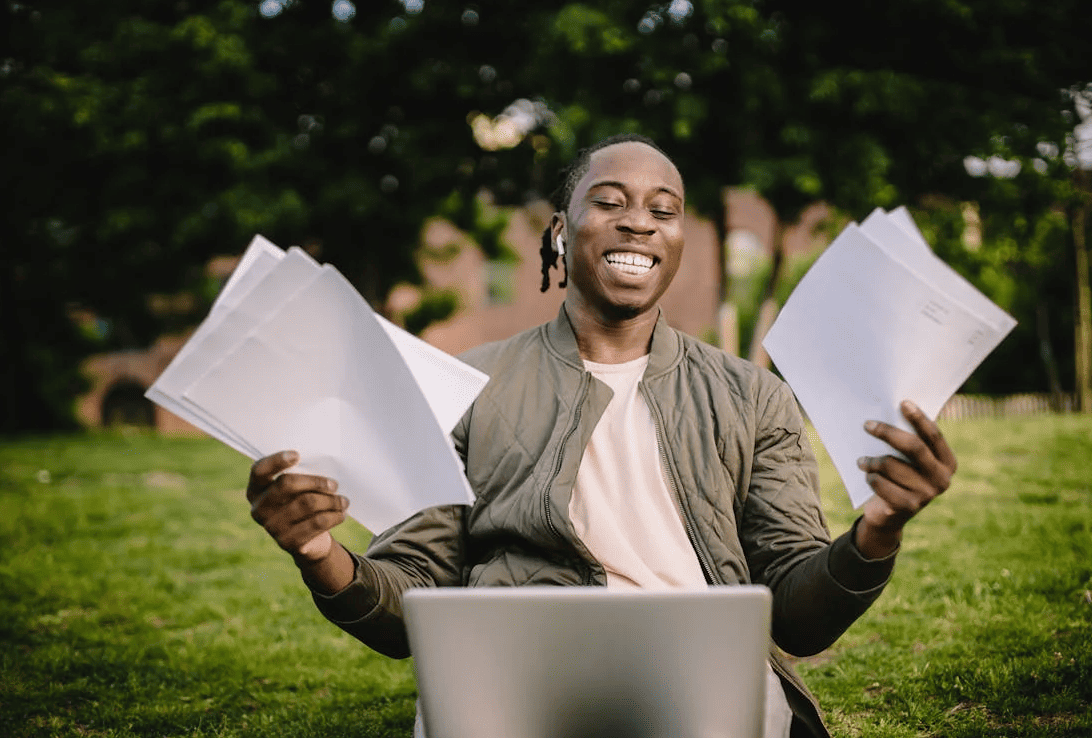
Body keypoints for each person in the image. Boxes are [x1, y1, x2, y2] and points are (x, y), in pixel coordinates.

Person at [245, 134, 957, 737]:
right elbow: (409, 607)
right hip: (509, 687)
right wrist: (316, 552)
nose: (638, 223)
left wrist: (878, 532)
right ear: (561, 231)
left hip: (701, 694)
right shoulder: (463, 389)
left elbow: (799, 619)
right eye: (609, 202)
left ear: (677, 240)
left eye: (663, 211)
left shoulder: (753, 397)